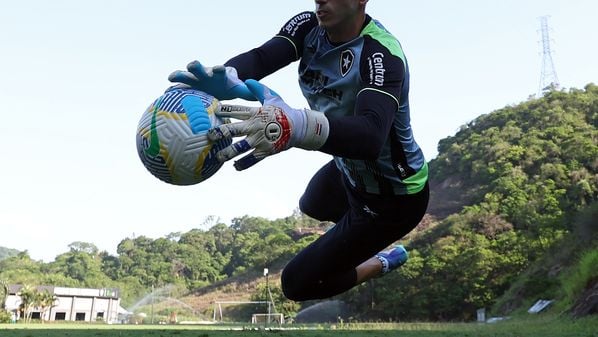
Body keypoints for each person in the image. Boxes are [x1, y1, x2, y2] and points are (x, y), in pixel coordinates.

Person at [169, 0, 429, 301]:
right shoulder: (308, 27)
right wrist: (229, 75)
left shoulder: (380, 53)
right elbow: (263, 57)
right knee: (314, 203)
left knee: (297, 284)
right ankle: (362, 239)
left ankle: (378, 261)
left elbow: (371, 137)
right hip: (349, 172)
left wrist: (298, 125)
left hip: (394, 197)